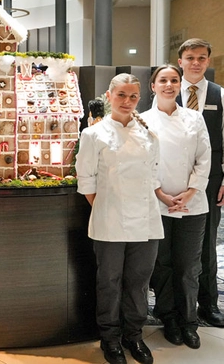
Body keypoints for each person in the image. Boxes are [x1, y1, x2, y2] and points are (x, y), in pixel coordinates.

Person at [76, 73, 163, 364]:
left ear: (140, 98)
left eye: (133, 96)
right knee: (109, 281)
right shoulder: (93, 134)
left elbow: (153, 175)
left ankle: (134, 336)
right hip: (109, 219)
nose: (127, 101)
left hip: (147, 219)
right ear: (109, 96)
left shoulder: (148, 134)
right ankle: (110, 338)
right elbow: (86, 179)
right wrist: (103, 206)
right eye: (122, 95)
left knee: (139, 281)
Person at [142, 64, 210, 349]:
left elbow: (203, 158)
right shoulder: (142, 120)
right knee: (164, 265)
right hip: (157, 204)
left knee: (189, 266)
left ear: (179, 85)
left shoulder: (194, 118)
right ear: (153, 86)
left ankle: (189, 321)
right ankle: (168, 317)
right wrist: (161, 194)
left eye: (174, 80)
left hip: (192, 204)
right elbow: (143, 163)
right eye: (163, 80)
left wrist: (191, 191)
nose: (169, 85)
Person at [176, 38, 224, 328]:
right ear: (180, 60)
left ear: (208, 61)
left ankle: (208, 304)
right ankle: (172, 302)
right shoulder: (166, 90)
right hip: (173, 175)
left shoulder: (220, 94)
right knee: (171, 241)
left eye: (202, 58)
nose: (196, 62)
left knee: (206, 243)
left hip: (211, 178)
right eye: (190, 57)